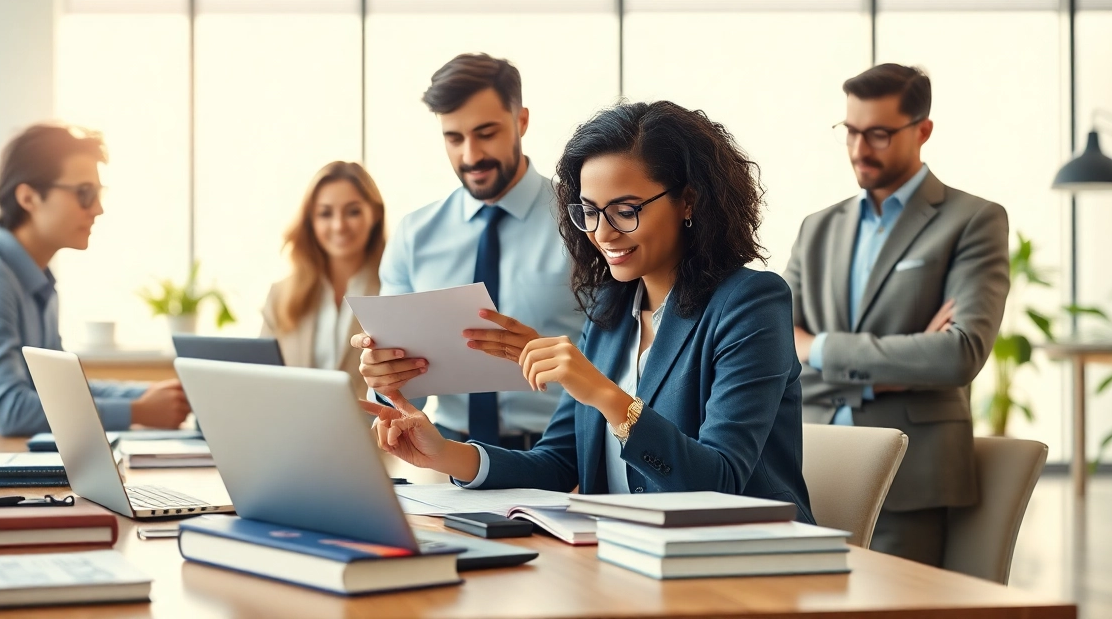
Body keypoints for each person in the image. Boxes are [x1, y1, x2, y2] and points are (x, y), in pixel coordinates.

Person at [361, 101, 814, 523]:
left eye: (625, 210)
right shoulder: (611, 312)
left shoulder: (751, 303)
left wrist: (601, 392)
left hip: (742, 563)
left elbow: (719, 485)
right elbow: (558, 465)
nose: (603, 233)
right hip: (622, 557)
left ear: (689, 201)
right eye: (590, 212)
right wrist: (443, 454)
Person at [784, 64, 1009, 565]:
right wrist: (890, 373)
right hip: (808, 466)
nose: (860, 149)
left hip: (909, 482)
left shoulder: (972, 220)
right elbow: (774, 352)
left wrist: (818, 348)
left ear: (922, 130)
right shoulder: (817, 229)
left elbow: (957, 355)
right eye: (852, 132)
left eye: (879, 134)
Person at [0, 124, 191, 472]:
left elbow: (61, 388)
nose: (98, 209)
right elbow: (10, 410)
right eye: (84, 193)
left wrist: (150, 396)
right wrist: (139, 411)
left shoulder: (36, 281)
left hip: (0, 465)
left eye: (100, 193)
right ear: (28, 198)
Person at [354, 53, 581, 449]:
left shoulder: (582, 224)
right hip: (450, 459)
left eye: (486, 133)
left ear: (521, 121)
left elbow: (627, 357)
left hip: (569, 455)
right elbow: (406, 390)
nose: (471, 156)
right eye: (454, 138)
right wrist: (385, 377)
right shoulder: (414, 236)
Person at [260, 161, 386, 398]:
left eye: (353, 211)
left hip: (369, 434)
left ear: (375, 214)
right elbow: (260, 381)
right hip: (293, 431)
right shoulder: (280, 296)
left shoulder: (394, 294)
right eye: (325, 213)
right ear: (311, 221)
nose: (339, 225)